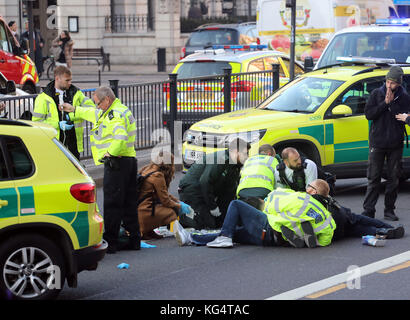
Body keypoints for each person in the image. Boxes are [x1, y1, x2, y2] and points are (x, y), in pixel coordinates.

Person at [60, 86, 139, 254]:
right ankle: (134, 240)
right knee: (129, 202)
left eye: (98, 103)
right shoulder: (119, 109)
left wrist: (110, 154)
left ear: (107, 100)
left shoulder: (114, 114)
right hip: (129, 161)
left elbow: (121, 136)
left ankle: (111, 242)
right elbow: (93, 114)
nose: (96, 107)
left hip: (116, 162)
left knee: (112, 204)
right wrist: (73, 109)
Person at [175, 179, 336, 249]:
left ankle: (223, 238)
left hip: (269, 227)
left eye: (309, 185)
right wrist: (317, 243)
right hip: (272, 240)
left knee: (236, 205)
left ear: (311, 190)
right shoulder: (328, 217)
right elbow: (326, 239)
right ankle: (191, 238)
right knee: (235, 234)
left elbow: (270, 206)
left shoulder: (301, 198)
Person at [362, 66, 410, 221]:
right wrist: (384, 103)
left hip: (395, 143)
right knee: (373, 178)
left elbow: (402, 116)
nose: (390, 85)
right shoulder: (377, 93)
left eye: (393, 83)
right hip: (377, 143)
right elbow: (369, 114)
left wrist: (392, 104)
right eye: (388, 82)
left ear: (399, 83)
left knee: (394, 178)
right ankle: (369, 211)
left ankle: (389, 210)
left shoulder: (404, 97)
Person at [178, 138, 250, 230]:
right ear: (236, 151)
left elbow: (229, 191)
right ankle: (179, 216)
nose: (247, 157)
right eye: (245, 153)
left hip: (206, 191)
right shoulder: (221, 159)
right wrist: (213, 207)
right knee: (205, 225)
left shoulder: (235, 165)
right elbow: (205, 182)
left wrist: (225, 213)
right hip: (192, 190)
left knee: (219, 223)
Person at [32, 65, 93, 160]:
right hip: (54, 145)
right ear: (57, 79)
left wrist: (71, 116)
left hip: (74, 145)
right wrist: (57, 124)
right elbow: (37, 123)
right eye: (67, 80)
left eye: (70, 80)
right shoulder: (43, 98)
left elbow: (90, 108)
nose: (70, 83)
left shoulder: (76, 93)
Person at [138, 150, 192, 240]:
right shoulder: (158, 176)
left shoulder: (147, 169)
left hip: (139, 209)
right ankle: (180, 235)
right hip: (145, 211)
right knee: (171, 212)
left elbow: (164, 194)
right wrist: (179, 206)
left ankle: (148, 232)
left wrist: (178, 201)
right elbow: (165, 201)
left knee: (169, 208)